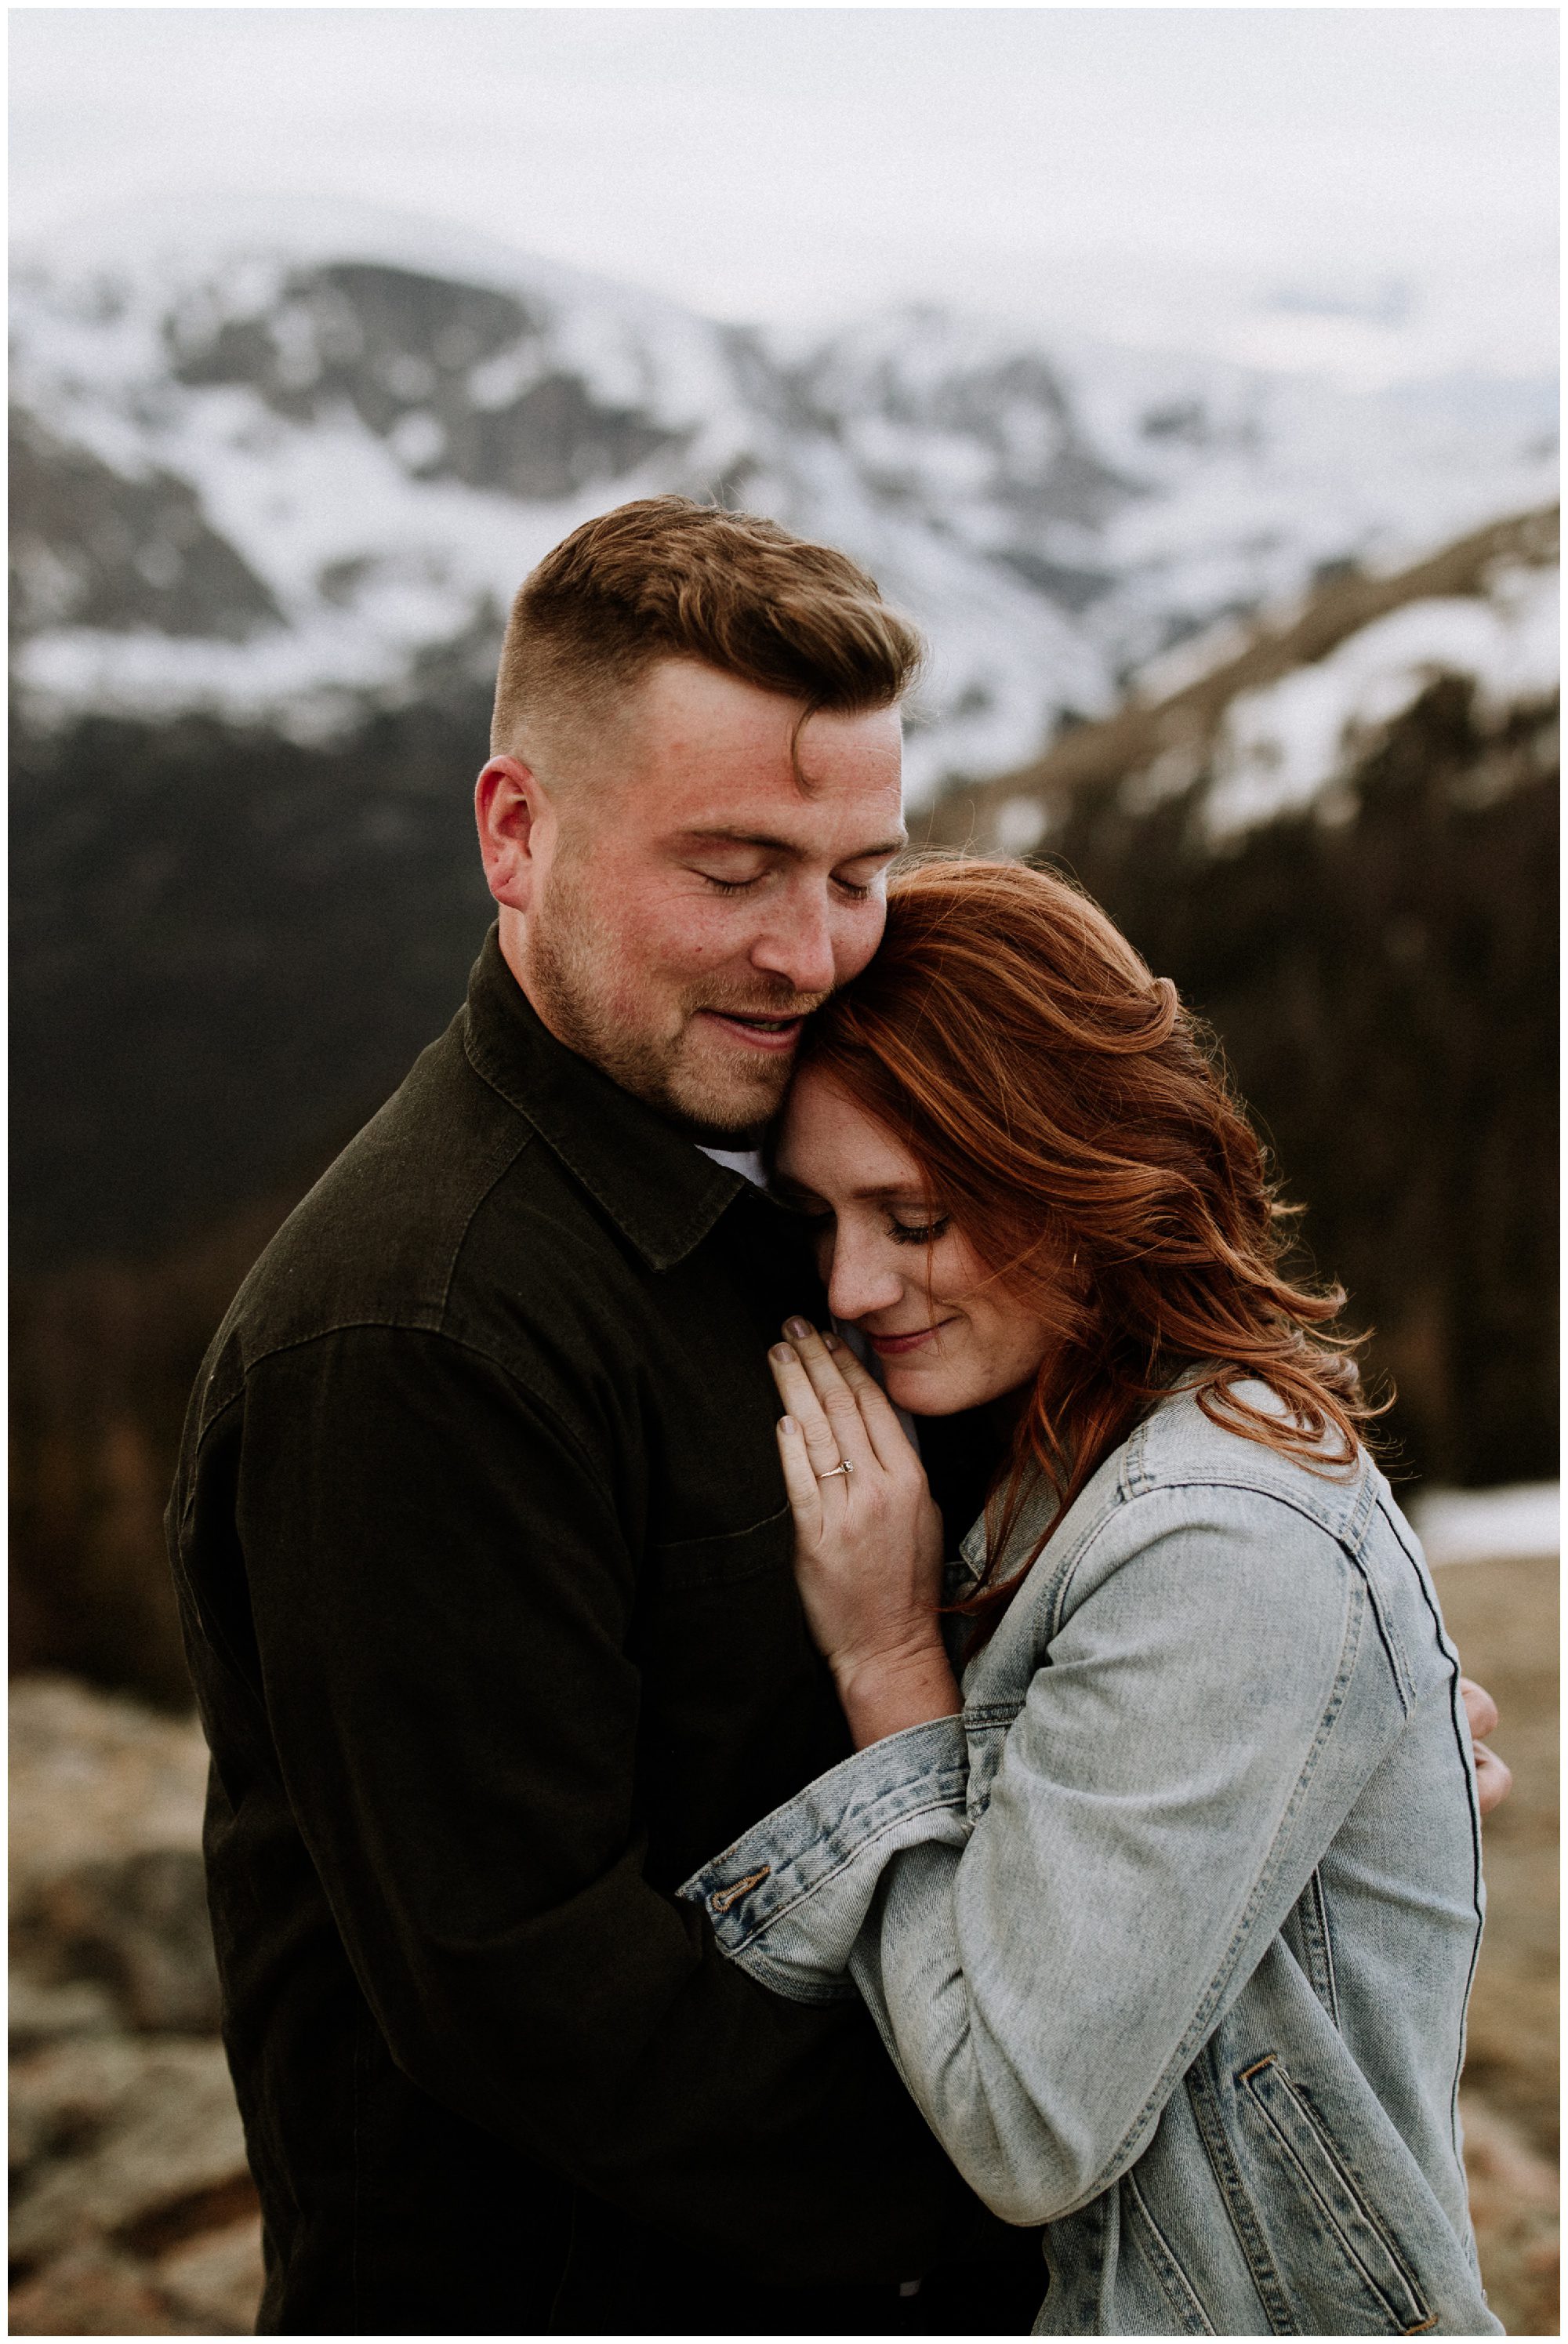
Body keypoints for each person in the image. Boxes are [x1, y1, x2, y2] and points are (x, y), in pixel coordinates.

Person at [165, 499, 1051, 2336]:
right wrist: (1028, 2150)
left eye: (855, 870)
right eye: (731, 870)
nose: (809, 954)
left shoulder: (842, 1175)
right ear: (515, 831)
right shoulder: (413, 1335)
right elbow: (542, 2003)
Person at [682, 857, 1505, 2336]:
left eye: (915, 1217)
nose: (854, 1286)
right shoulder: (1056, 1448)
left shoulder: (1222, 1538)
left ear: (1079, 1175)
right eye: (819, 1218)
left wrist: (885, 1656)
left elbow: (1018, 2122)